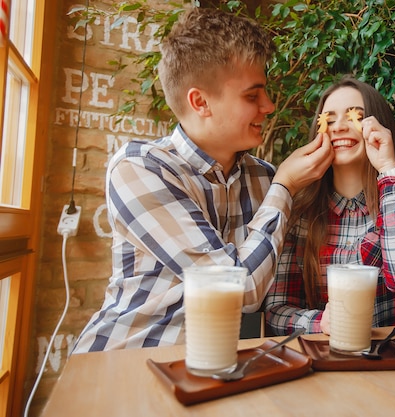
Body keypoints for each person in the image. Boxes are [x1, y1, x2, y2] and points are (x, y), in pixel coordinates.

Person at [72, 8, 333, 353]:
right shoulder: (140, 169)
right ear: (200, 102)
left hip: (217, 367)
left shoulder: (264, 179)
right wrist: (284, 188)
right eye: (252, 96)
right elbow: (238, 291)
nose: (269, 106)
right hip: (128, 361)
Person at [265, 76, 395, 336]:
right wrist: (320, 322)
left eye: (354, 116)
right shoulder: (300, 214)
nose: (338, 127)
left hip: (391, 357)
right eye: (329, 119)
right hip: (323, 359)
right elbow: (276, 312)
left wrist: (388, 170)